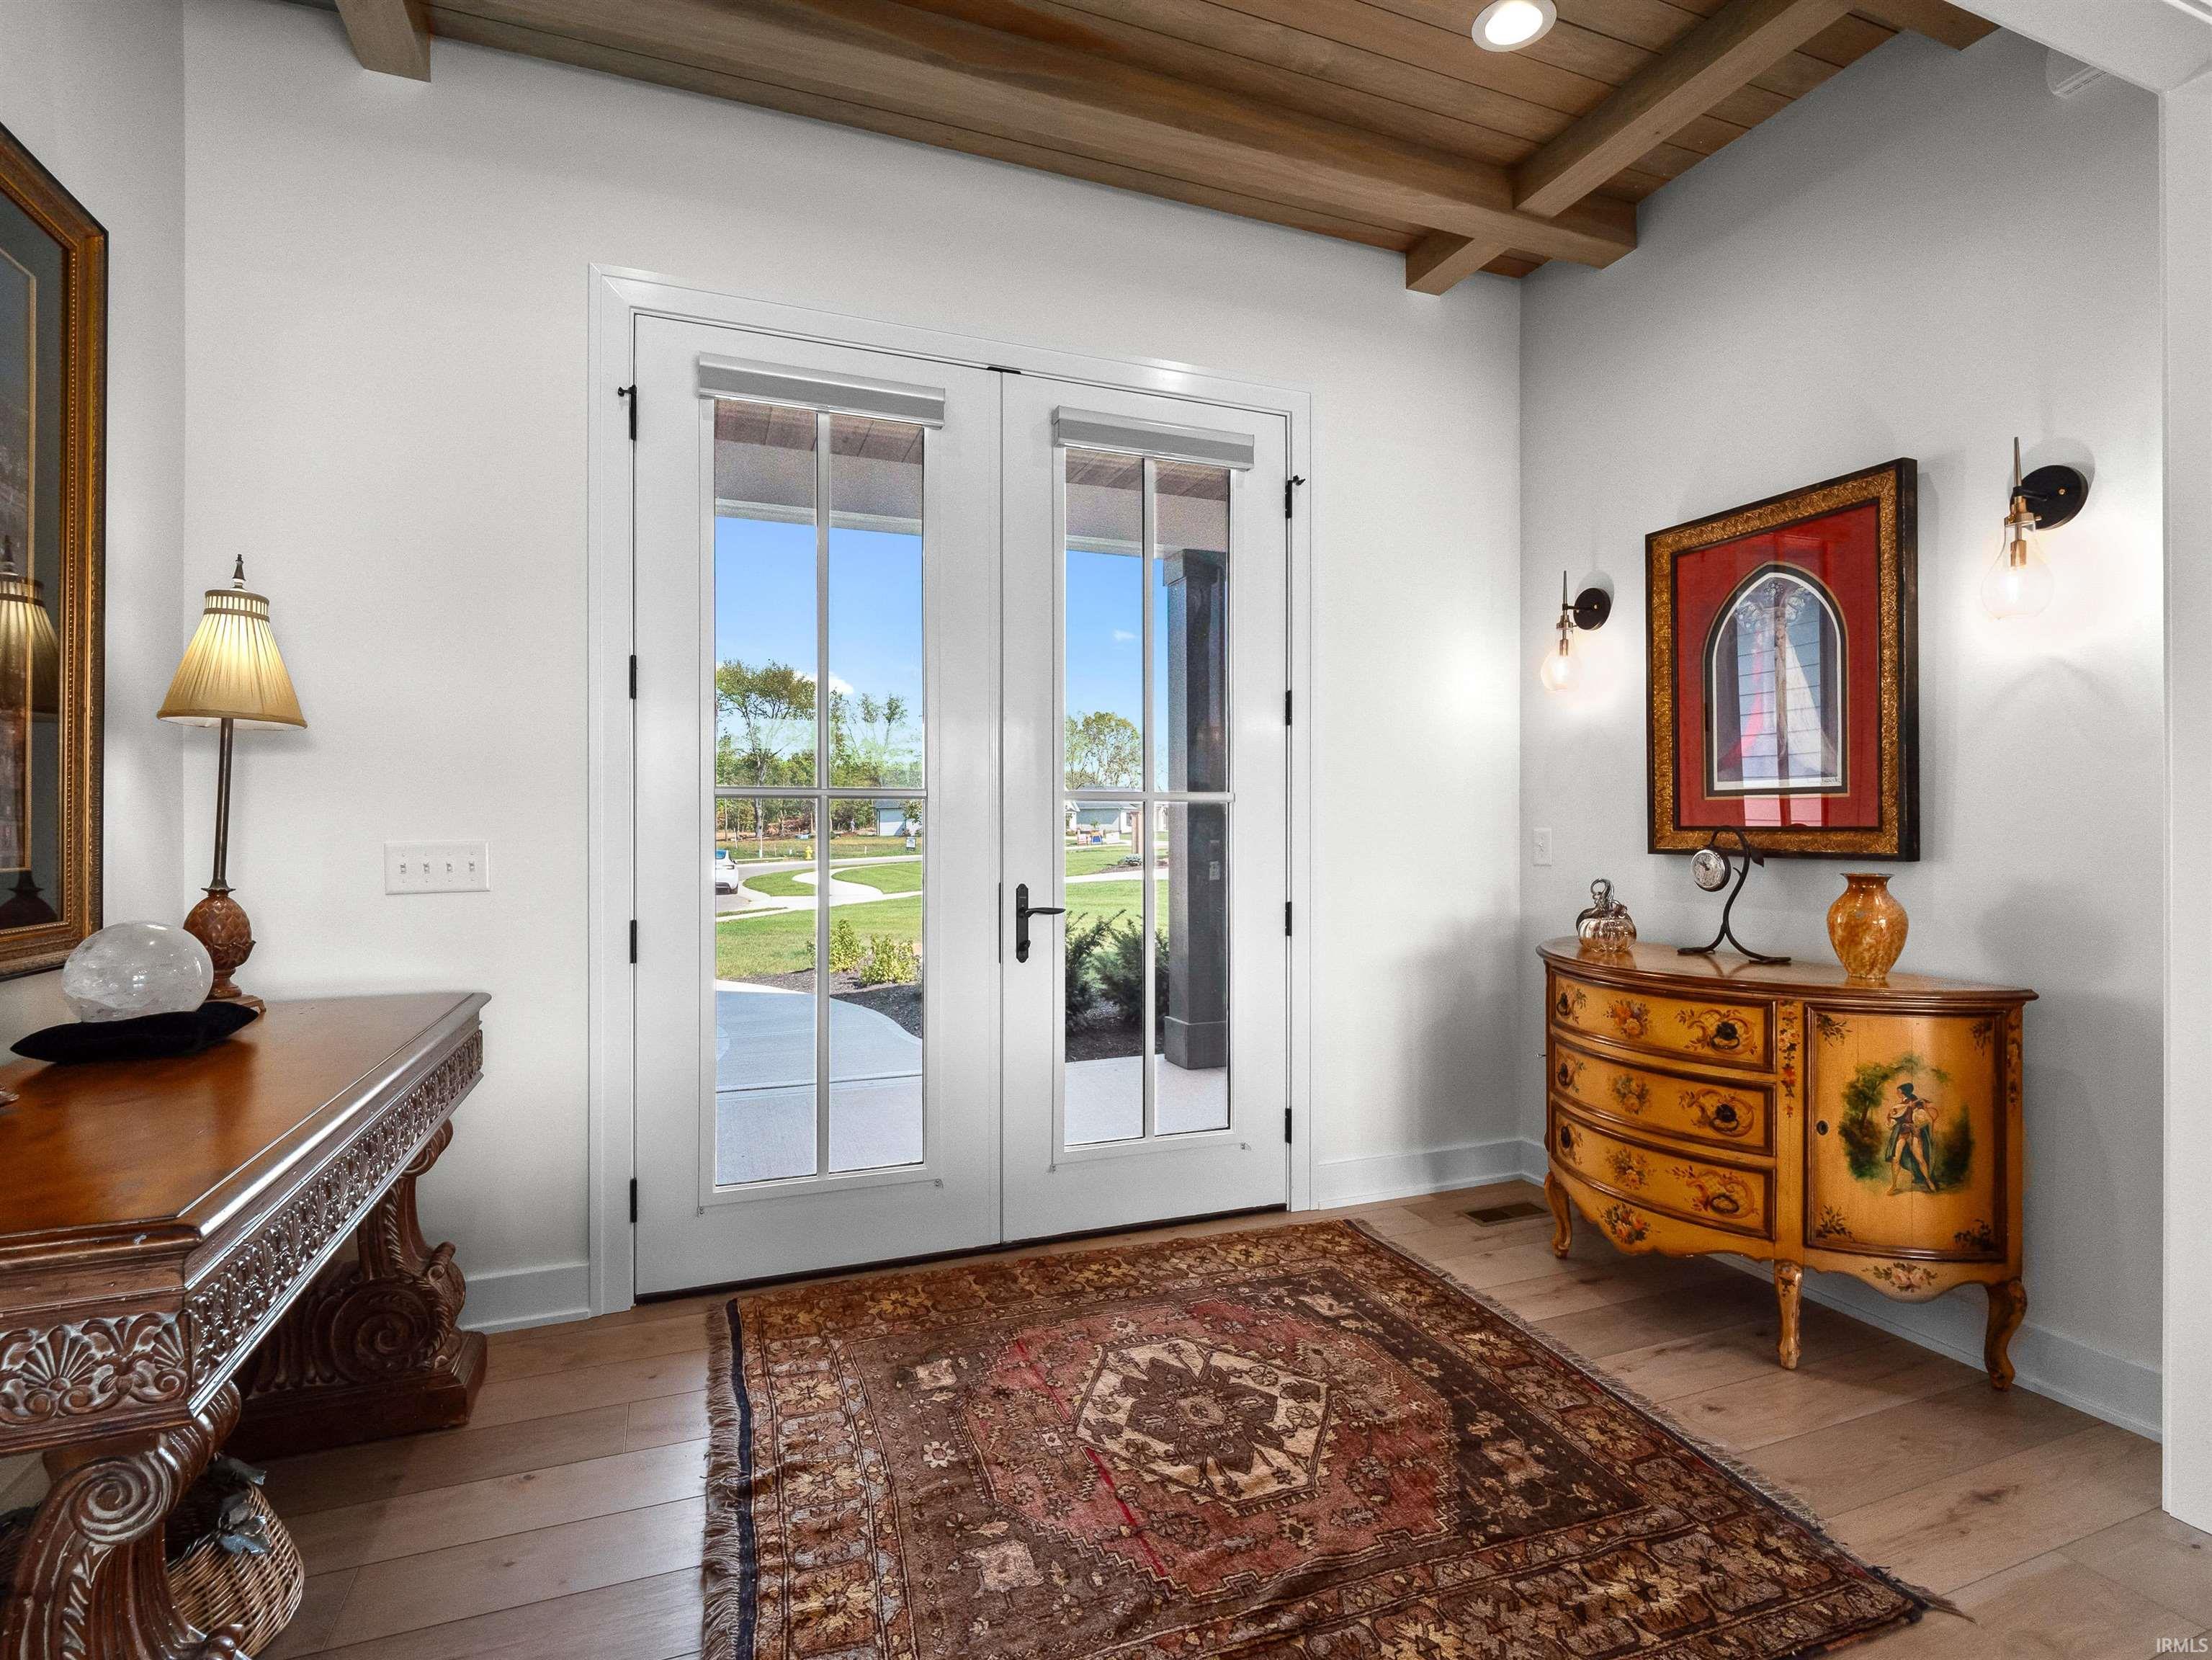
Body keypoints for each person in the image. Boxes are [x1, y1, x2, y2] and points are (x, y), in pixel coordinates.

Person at [1883, 1081, 1938, 1195]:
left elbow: (1925, 1118)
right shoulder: (1899, 1106)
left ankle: (1928, 1180)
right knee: (1896, 1159)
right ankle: (1894, 1185)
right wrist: (1890, 1119)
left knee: (1920, 1159)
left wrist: (1918, 1110)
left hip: (1914, 1133)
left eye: (1898, 1091)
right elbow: (1894, 1120)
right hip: (1903, 1132)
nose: (1897, 1092)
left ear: (1902, 1092)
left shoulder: (1915, 1104)